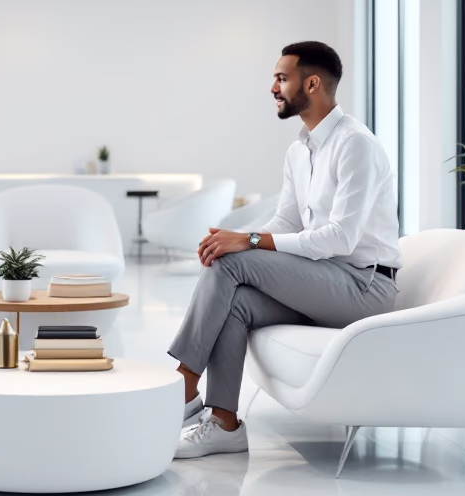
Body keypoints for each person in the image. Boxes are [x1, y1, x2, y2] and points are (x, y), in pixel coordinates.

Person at [169, 41, 401, 459]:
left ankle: (183, 385)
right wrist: (237, 236)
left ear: (311, 84)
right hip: (320, 283)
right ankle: (224, 423)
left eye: (281, 78)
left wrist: (248, 243)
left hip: (363, 289)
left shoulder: (356, 145)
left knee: (235, 260)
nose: (273, 87)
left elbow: (340, 239)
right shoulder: (299, 150)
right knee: (236, 299)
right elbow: (287, 222)